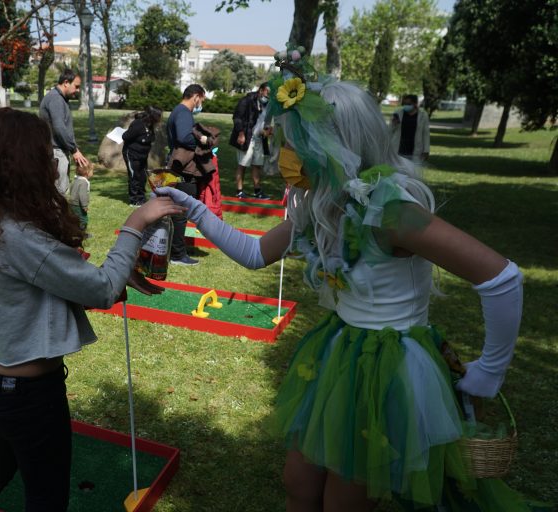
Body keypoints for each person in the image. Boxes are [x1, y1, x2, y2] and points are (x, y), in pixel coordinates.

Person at [157, 49, 542, 511]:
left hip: (386, 368)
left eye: (296, 144)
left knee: (344, 498)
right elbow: (256, 254)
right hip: (340, 350)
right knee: (299, 482)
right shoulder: (320, 200)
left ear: (334, 146)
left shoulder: (392, 211)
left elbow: (501, 278)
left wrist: (489, 371)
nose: (286, 156)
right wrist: (195, 209)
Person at [0, 107, 184, 511]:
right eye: (46, 154)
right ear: (25, 164)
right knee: (46, 496)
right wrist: (135, 223)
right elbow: (102, 290)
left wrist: (109, 276)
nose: (53, 162)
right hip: (27, 396)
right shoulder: (20, 236)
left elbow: (39, 293)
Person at [166, 83, 207, 266]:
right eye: (201, 100)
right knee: (180, 213)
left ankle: (174, 250)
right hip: (183, 170)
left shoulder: (178, 111)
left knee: (177, 211)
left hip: (178, 167)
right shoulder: (183, 113)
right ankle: (177, 255)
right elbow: (184, 137)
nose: (200, 104)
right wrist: (203, 140)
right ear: (196, 96)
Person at [39, 69, 90, 195]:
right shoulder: (56, 99)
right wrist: (74, 150)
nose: (78, 90)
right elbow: (59, 128)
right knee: (59, 191)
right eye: (76, 86)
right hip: (56, 152)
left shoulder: (59, 98)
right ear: (66, 82)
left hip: (56, 150)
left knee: (56, 191)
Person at [229, 82, 272, 199]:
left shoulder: (268, 104)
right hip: (246, 137)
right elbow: (237, 118)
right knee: (242, 164)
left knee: (257, 165)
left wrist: (267, 129)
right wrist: (241, 133)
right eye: (267, 92)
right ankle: (239, 191)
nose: (268, 96)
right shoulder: (246, 100)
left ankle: (258, 191)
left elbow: (264, 120)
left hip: (259, 138)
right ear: (261, 90)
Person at [122, 105, 162, 206]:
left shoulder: (150, 125)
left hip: (142, 155)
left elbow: (150, 138)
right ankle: (134, 200)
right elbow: (125, 136)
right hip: (132, 154)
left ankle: (141, 197)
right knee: (134, 176)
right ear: (152, 116)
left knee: (143, 177)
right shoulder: (138, 124)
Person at [390, 93, 430, 164]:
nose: (406, 106)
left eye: (409, 104)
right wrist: (394, 124)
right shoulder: (398, 113)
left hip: (415, 149)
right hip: (398, 148)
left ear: (415, 104)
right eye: (404, 104)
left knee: (413, 169)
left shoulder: (423, 115)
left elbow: (426, 133)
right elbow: (390, 130)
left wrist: (426, 150)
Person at [69, 160, 93, 232]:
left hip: (72, 203)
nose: (93, 173)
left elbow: (71, 189)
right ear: (87, 172)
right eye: (92, 171)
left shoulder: (76, 179)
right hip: (78, 205)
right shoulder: (84, 182)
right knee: (83, 220)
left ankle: (73, 231)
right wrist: (84, 206)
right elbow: (82, 195)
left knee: (74, 218)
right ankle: (82, 233)